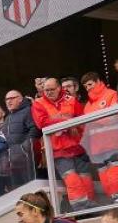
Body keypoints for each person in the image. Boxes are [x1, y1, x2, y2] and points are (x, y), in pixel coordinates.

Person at [31, 78, 95, 209]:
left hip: (78, 146)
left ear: (59, 88)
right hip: (58, 149)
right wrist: (65, 119)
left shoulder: (71, 100)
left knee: (86, 178)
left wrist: (58, 120)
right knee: (71, 178)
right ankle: (80, 208)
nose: (48, 92)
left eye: (51, 89)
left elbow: (81, 120)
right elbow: (42, 123)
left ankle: (91, 206)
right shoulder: (39, 103)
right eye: (46, 90)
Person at [80, 72, 118, 203]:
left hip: (114, 143)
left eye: (90, 84)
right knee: (105, 180)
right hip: (97, 147)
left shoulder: (111, 94)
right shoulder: (88, 105)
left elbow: (115, 116)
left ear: (98, 81)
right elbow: (86, 127)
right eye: (85, 86)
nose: (88, 88)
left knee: (115, 175)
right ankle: (116, 202)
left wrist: (95, 119)